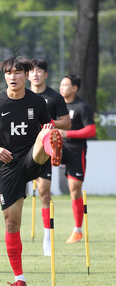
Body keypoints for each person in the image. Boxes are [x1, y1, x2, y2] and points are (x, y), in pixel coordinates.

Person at [0, 55, 63, 286]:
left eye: (17, 73)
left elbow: (49, 123)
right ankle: (20, 279)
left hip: (33, 158)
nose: (12, 77)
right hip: (8, 165)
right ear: (5, 76)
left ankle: (50, 148)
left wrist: (49, 133)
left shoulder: (37, 102)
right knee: (12, 223)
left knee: (46, 133)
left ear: (26, 75)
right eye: (8, 73)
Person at [29, 59, 71, 255]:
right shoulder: (22, 96)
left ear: (45, 75)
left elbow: (67, 123)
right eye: (32, 71)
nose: (35, 74)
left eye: (40, 71)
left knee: (44, 193)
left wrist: (48, 123)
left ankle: (47, 237)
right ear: (26, 75)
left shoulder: (54, 97)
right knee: (15, 196)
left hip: (45, 149)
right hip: (22, 149)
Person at [58, 74, 96, 244]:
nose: (61, 87)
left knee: (74, 189)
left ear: (75, 88)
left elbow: (91, 130)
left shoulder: (82, 107)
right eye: (61, 84)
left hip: (75, 150)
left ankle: (77, 230)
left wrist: (68, 133)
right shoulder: (56, 105)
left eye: (65, 85)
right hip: (58, 148)